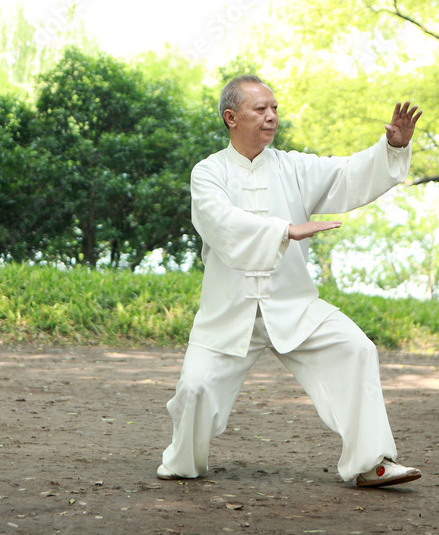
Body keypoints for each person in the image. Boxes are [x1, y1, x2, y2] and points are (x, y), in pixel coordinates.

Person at [157, 74, 423, 488]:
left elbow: (348, 173)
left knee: (355, 349)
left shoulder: (295, 167)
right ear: (231, 117)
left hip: (293, 305)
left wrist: (393, 147)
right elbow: (219, 222)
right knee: (194, 389)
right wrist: (285, 231)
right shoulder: (207, 173)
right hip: (228, 312)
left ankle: (373, 463)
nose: (271, 117)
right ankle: (183, 461)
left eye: (274, 109)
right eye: (260, 109)